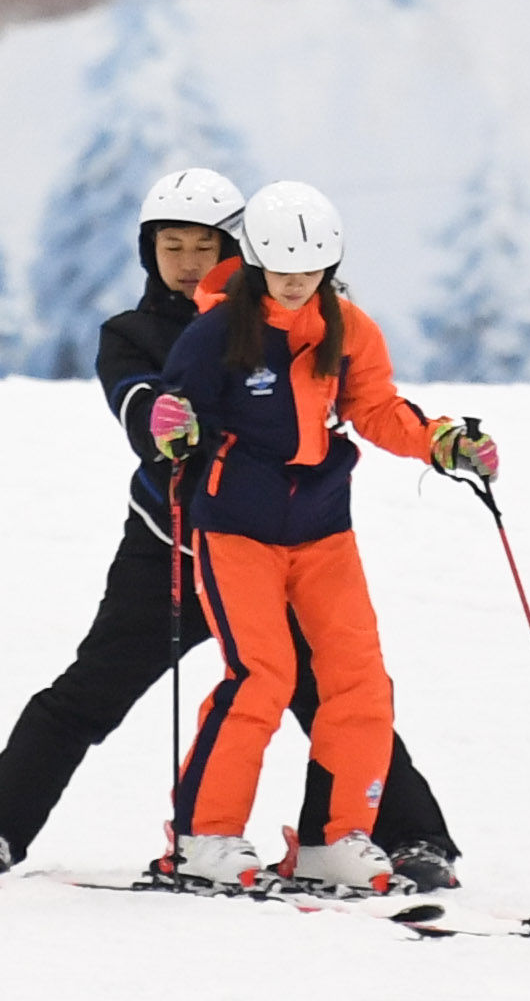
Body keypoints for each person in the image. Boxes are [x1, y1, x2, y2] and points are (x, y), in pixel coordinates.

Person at [0, 169, 462, 883]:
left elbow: (356, 397)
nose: (188, 261)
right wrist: (159, 418)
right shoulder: (132, 332)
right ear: (147, 252)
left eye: (205, 244)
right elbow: (135, 404)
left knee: (326, 688)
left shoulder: (292, 317)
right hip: (166, 549)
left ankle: (410, 835)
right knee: (94, 690)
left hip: (269, 544)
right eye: (170, 245)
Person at [144, 180, 494, 896]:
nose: (295, 283)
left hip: (321, 527)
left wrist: (440, 443)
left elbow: (376, 407)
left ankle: (335, 839)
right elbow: (173, 414)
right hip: (235, 527)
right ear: (256, 263)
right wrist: (171, 431)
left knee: (360, 681)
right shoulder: (216, 331)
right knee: (262, 675)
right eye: (281, 270)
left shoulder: (349, 326)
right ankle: (203, 836)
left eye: (309, 270)